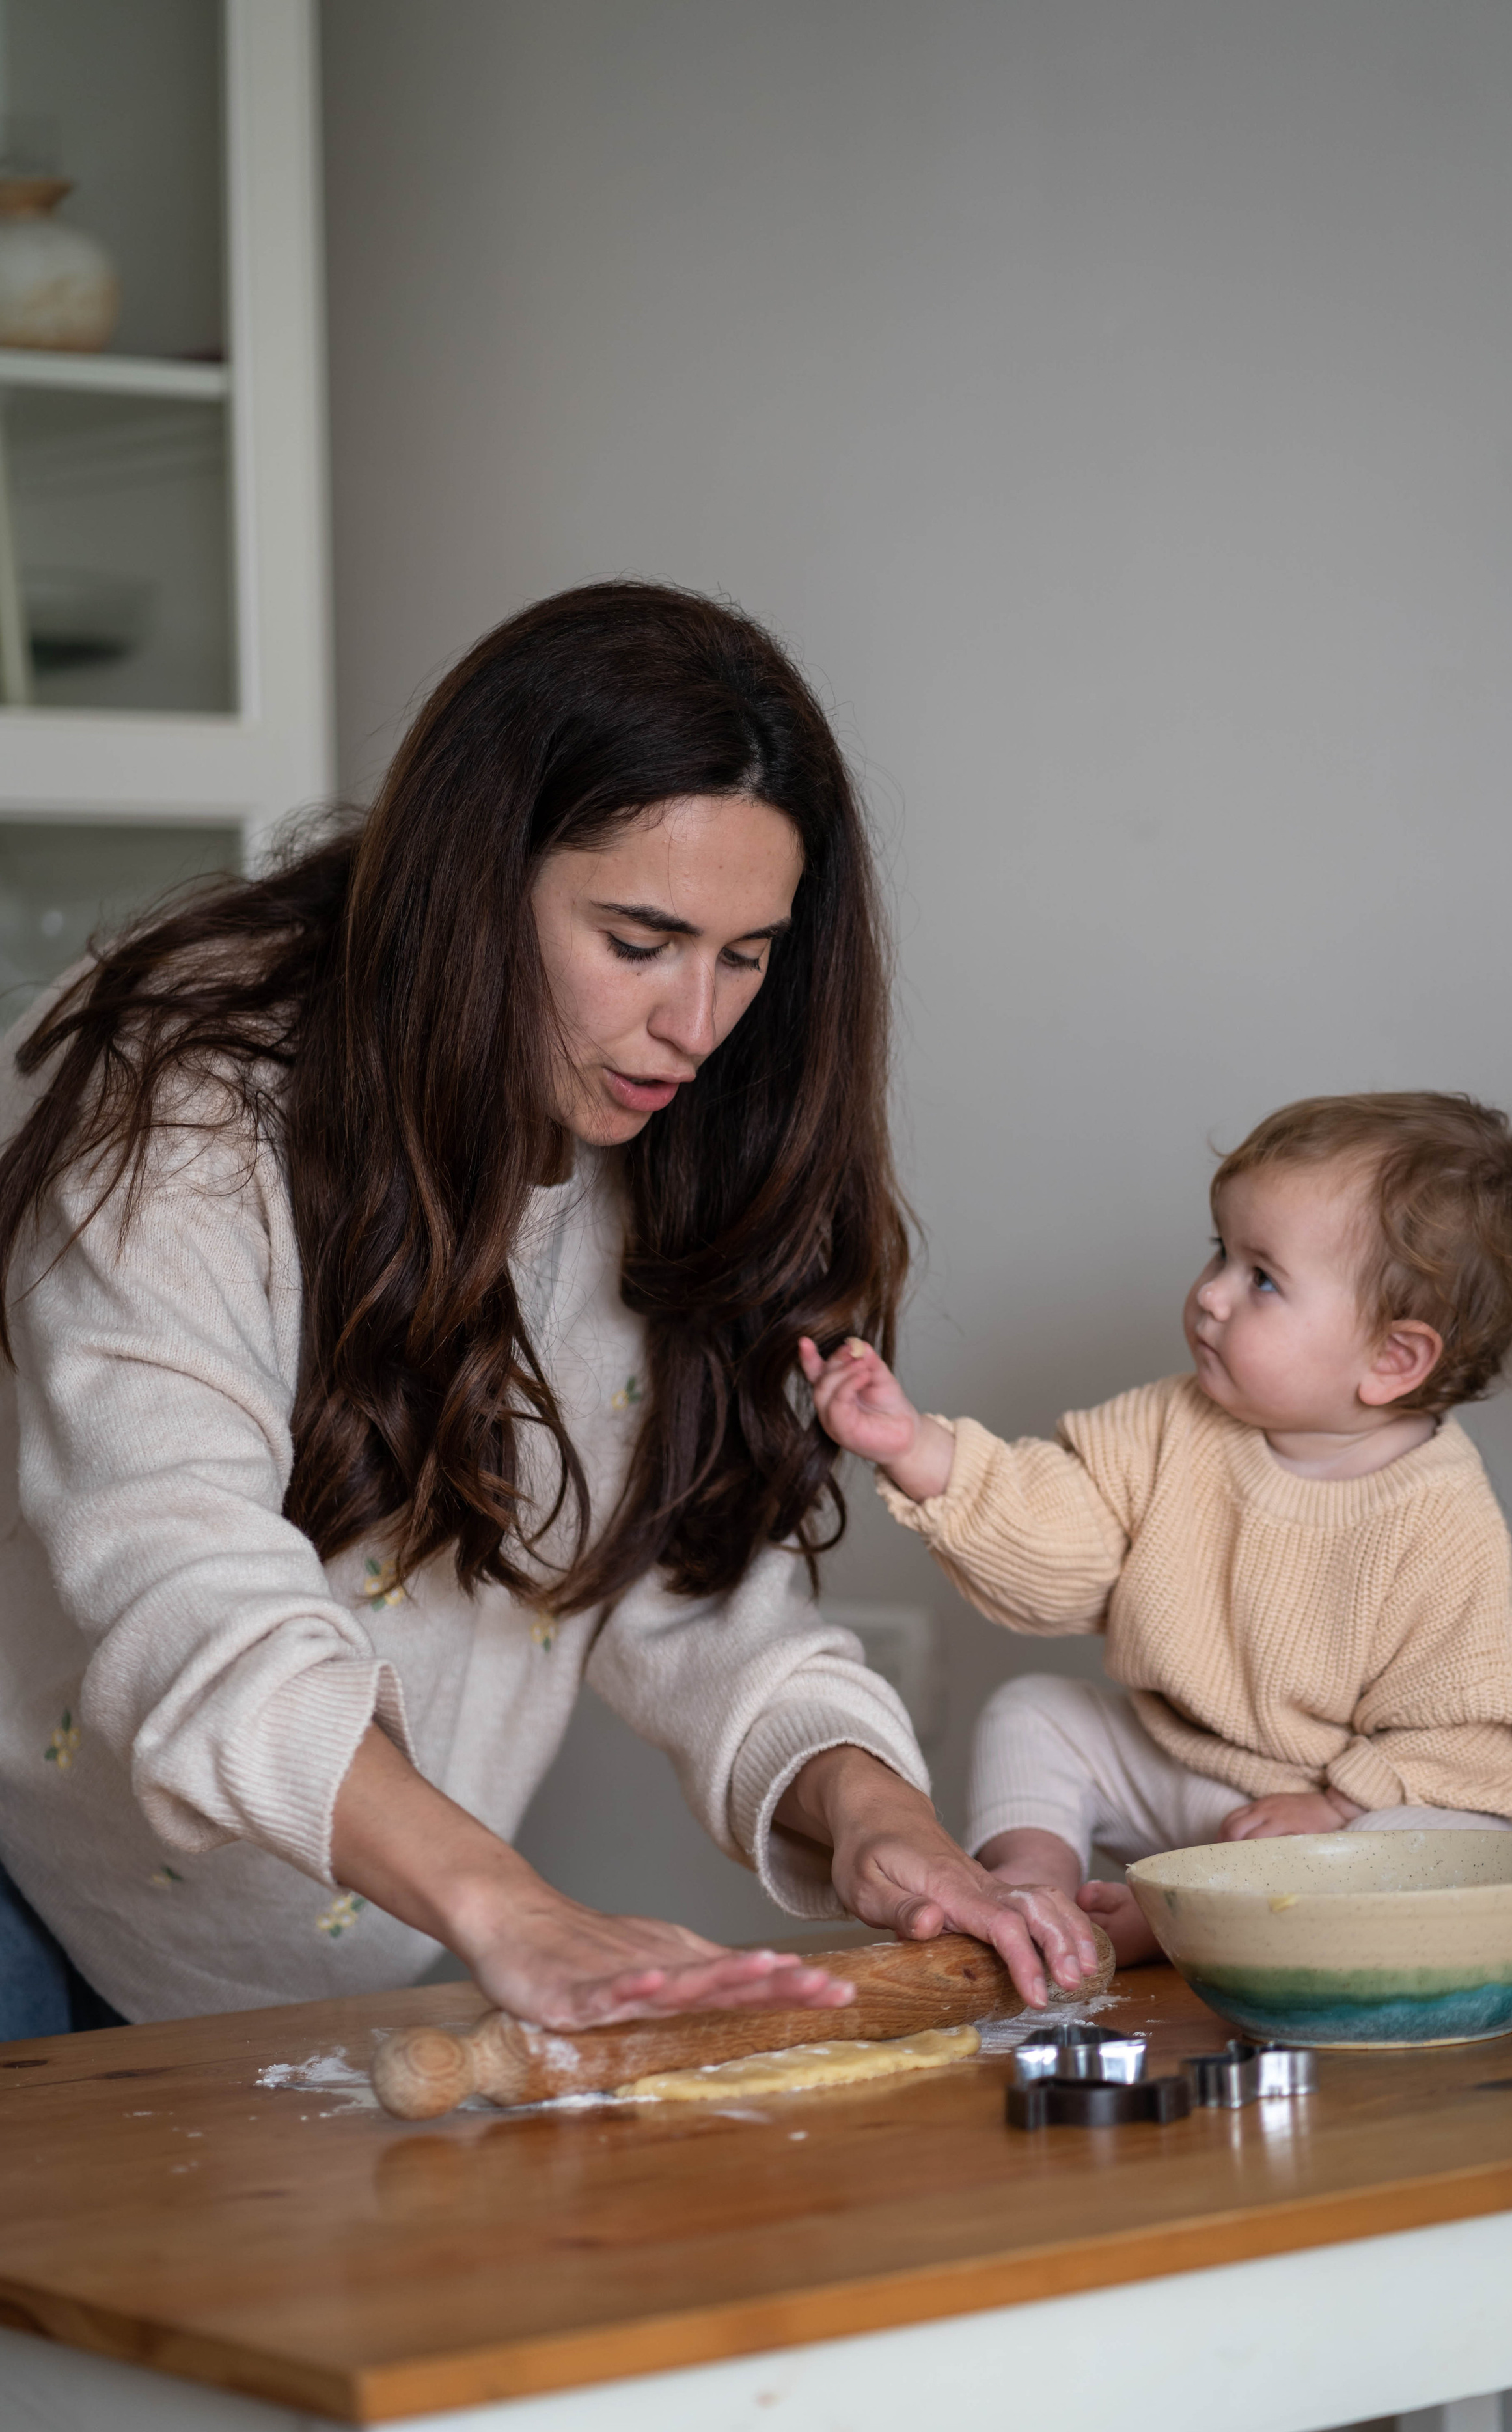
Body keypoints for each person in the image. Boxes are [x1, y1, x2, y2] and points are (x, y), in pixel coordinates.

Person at [0, 581, 1099, 2044]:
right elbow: (183, 1588)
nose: (694, 1028)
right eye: (637, 942)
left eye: (746, 955)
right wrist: (504, 1904)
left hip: (354, 1931)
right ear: (476, 884)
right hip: (29, 1873)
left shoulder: (679, 1136)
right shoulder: (196, 1095)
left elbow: (699, 1596)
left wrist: (883, 1821)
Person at [802, 1091, 1512, 1965]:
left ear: (1392, 1359)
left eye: (1262, 1277)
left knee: (1441, 1836)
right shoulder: (1171, 1424)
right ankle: (1038, 1882)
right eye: (1218, 1252)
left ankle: (1182, 1919)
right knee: (1034, 1712)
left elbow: (1479, 1727)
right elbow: (1064, 1540)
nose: (1212, 1295)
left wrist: (1338, 1809)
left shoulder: (1437, 1512)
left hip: (1350, 1819)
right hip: (1210, 1783)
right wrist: (919, 1450)